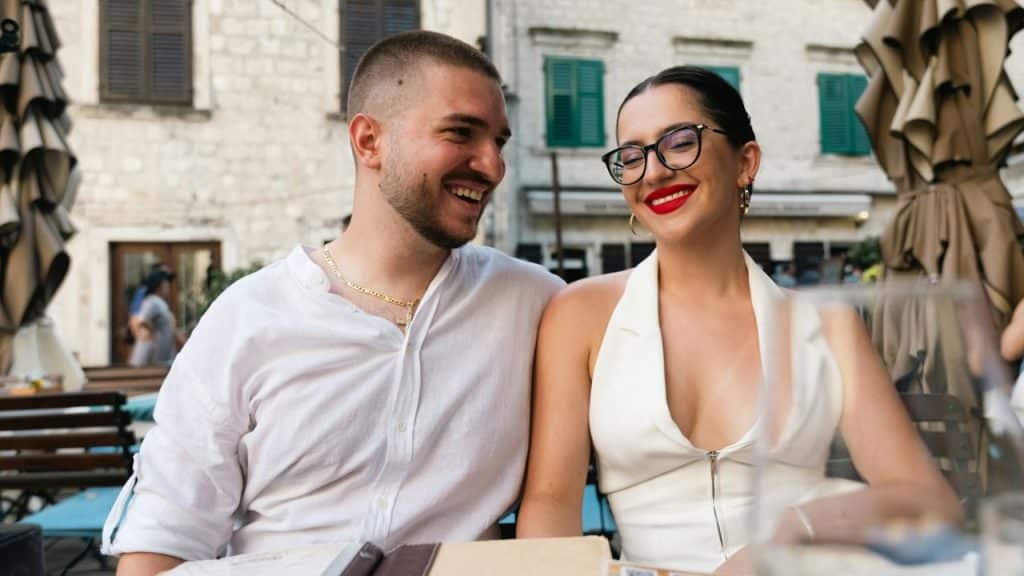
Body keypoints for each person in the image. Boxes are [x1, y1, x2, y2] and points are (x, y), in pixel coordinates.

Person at [103, 31, 563, 575]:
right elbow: (165, 533)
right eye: (460, 133)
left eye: (499, 142)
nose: (492, 166)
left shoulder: (536, 304)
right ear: (369, 141)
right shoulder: (249, 315)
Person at [515, 66, 961, 574]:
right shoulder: (580, 313)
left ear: (745, 162)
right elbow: (550, 502)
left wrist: (795, 530)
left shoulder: (827, 325)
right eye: (632, 156)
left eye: (679, 142)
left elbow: (927, 499)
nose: (654, 172)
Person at [128, 267, 178, 367]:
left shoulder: (159, 302)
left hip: (161, 358)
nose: (168, 286)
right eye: (166, 282)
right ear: (159, 285)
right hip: (150, 359)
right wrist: (154, 335)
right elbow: (140, 320)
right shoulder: (152, 301)